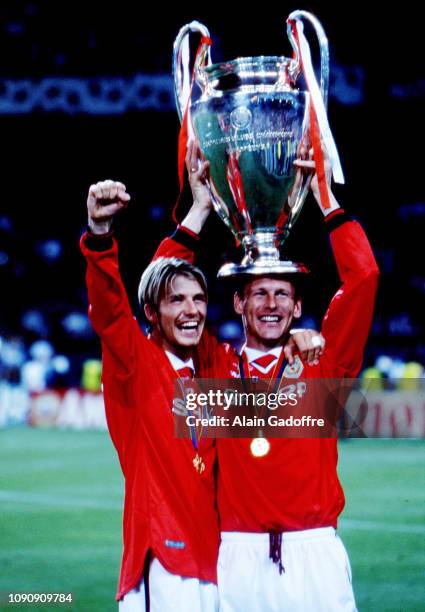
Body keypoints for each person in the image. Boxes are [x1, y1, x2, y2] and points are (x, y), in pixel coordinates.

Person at [80, 179, 321, 611]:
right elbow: (111, 306)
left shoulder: (209, 366)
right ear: (152, 313)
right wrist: (101, 235)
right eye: (176, 301)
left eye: (198, 299)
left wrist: (299, 337)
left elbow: (264, 347)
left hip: (216, 566)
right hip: (163, 565)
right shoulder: (135, 365)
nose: (190, 310)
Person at [165, 141, 379, 611]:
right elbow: (161, 293)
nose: (271, 305)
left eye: (283, 294)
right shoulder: (214, 367)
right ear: (239, 304)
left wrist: (326, 199)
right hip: (237, 556)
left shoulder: (324, 365)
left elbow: (363, 278)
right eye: (258, 293)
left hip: (315, 554)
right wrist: (198, 212)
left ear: (298, 307)